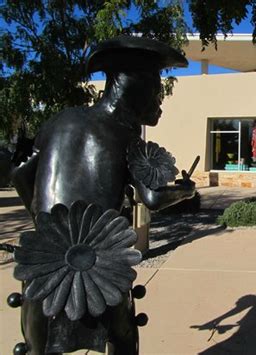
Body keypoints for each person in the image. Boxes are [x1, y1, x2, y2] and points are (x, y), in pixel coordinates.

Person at [10, 35, 195, 355]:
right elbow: (151, 199)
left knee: (37, 346)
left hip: (45, 264)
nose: (158, 99)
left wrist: (47, 228)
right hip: (99, 269)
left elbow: (20, 175)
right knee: (123, 342)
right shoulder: (125, 136)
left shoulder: (62, 119)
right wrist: (185, 191)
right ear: (134, 86)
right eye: (155, 87)